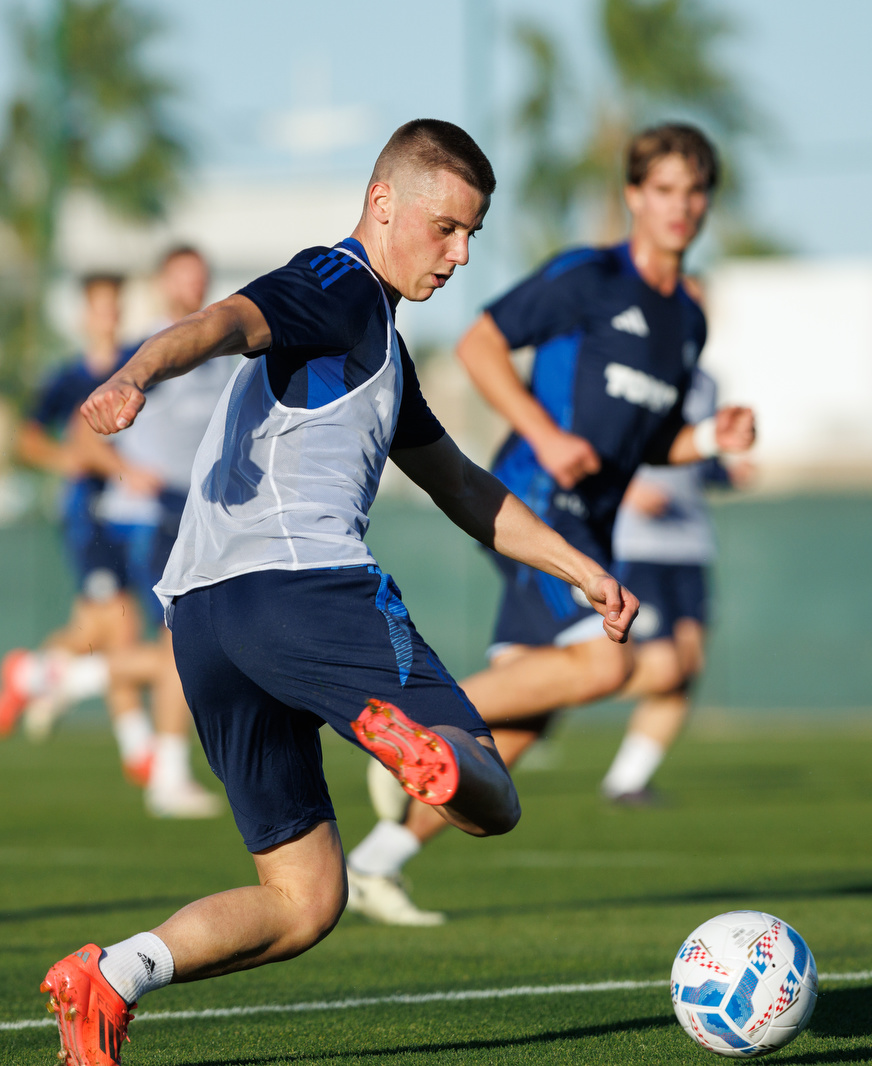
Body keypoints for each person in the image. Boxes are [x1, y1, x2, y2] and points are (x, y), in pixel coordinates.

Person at [39, 119, 637, 1066]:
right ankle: (417, 748)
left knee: (306, 899)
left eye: (474, 234)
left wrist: (581, 569)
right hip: (302, 589)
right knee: (491, 797)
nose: (461, 254)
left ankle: (112, 977)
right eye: (446, 229)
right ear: (383, 204)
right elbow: (228, 321)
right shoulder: (338, 282)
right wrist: (137, 371)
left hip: (205, 619)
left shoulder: (383, 350)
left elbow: (464, 487)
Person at [345, 123, 755, 926]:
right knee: (619, 663)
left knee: (520, 730)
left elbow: (647, 440)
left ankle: (375, 861)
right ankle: (406, 727)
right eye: (664, 189)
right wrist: (544, 432)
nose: (681, 207)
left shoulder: (687, 320)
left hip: (593, 521)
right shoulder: (589, 276)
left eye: (695, 191)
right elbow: (479, 343)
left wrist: (709, 440)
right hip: (533, 498)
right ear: (635, 196)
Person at [0, 246, 229, 819]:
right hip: (145, 519)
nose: (191, 287)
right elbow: (80, 437)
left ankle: (57, 674)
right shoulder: (143, 353)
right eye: (180, 277)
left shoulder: (223, 348)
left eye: (199, 278)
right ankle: (160, 768)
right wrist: (128, 472)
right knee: (174, 644)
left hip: (200, 515)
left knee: (181, 646)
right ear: (161, 283)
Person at [0, 273, 156, 788]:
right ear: (85, 316)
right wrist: (72, 462)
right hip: (92, 516)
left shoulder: (138, 363)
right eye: (98, 307)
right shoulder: (67, 378)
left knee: (97, 630)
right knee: (119, 628)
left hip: (137, 514)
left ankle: (32, 675)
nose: (107, 316)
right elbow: (29, 438)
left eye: (114, 307)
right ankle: (141, 749)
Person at [600, 367, 748, 804]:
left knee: (687, 668)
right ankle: (556, 685)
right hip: (637, 543)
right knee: (663, 667)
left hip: (691, 545)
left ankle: (626, 781)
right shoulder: (629, 369)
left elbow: (699, 463)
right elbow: (595, 442)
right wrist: (627, 492)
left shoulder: (707, 383)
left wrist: (728, 474)